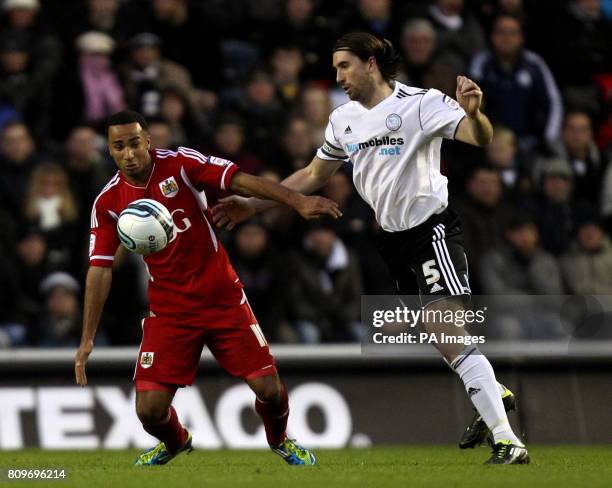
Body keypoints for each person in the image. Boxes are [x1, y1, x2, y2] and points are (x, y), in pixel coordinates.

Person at [213, 32, 529, 464]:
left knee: (447, 332)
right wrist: (254, 204)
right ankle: (493, 392)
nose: (338, 76)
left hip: (432, 232)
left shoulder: (421, 103)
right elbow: (311, 174)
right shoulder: (343, 119)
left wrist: (474, 113)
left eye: (344, 66)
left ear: (371, 63)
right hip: (393, 244)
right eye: (335, 68)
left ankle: (508, 440)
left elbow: (480, 138)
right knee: (446, 341)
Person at [74, 110, 341, 466]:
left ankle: (280, 441)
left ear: (148, 141)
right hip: (170, 311)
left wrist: (297, 202)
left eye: (135, 143)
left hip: (222, 298)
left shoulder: (181, 164)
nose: (129, 153)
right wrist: (87, 337)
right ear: (109, 150)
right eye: (119, 146)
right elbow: (99, 270)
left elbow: (241, 180)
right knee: (149, 412)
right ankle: (176, 442)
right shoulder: (108, 203)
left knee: (270, 391)